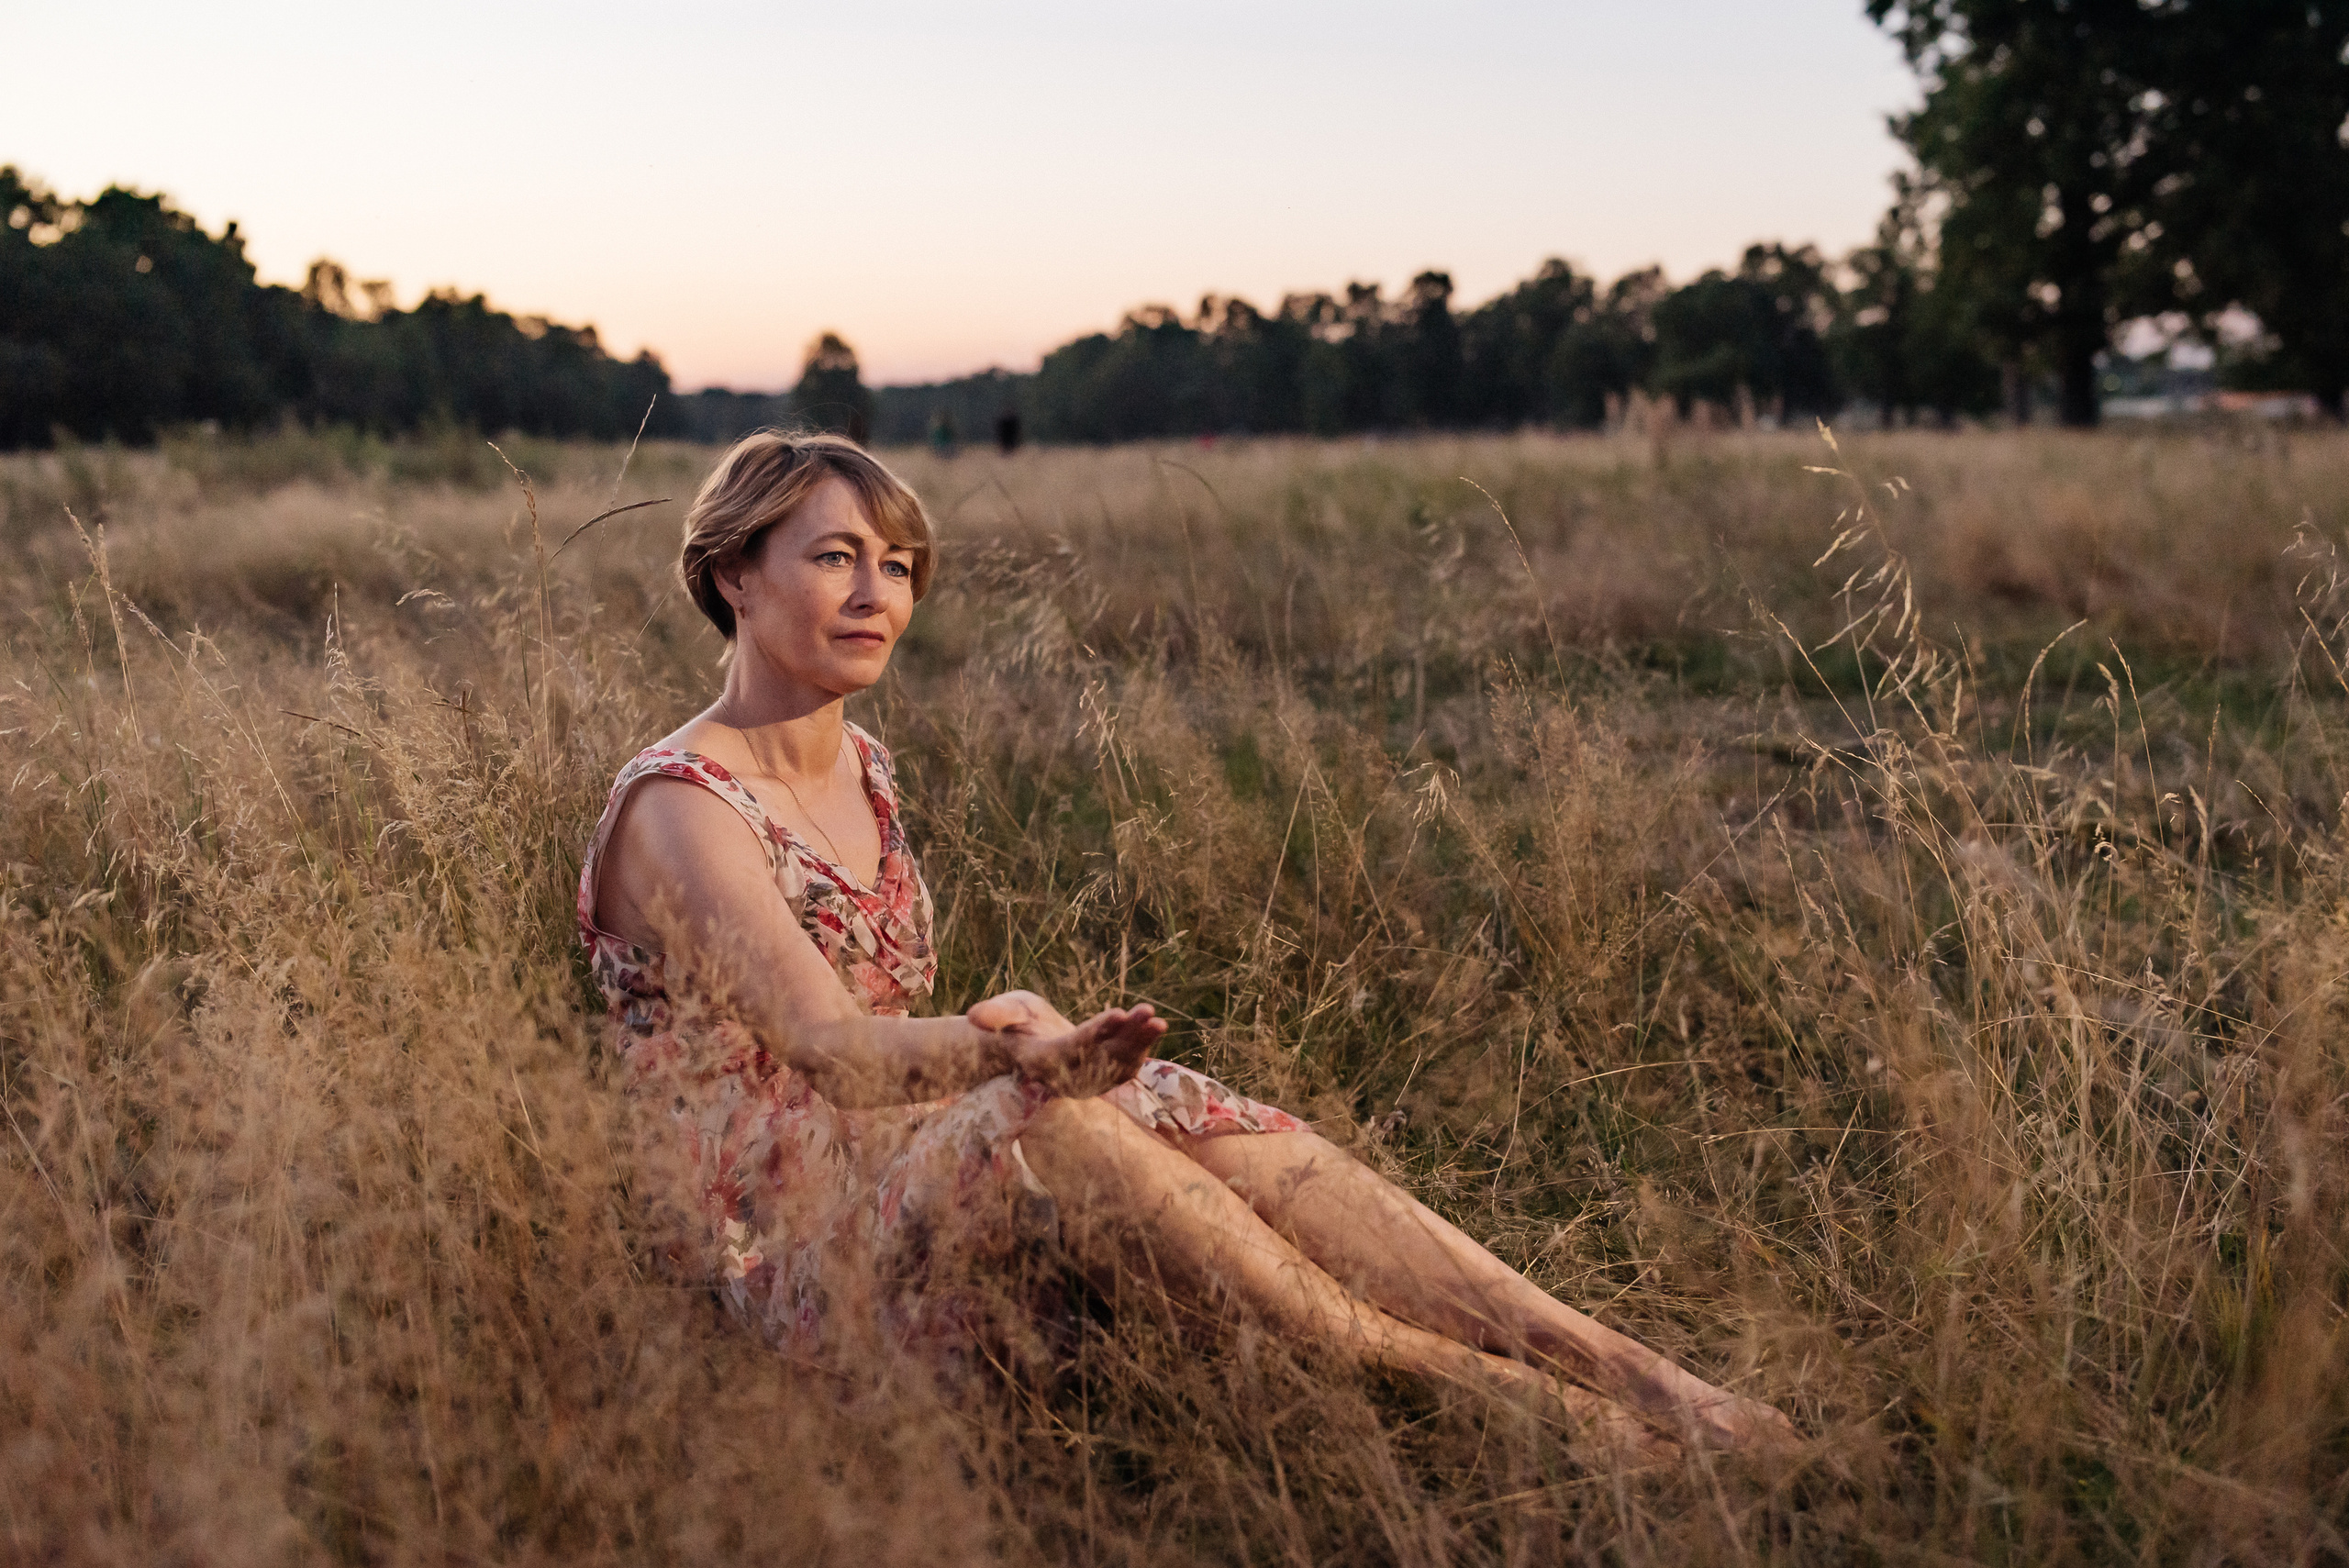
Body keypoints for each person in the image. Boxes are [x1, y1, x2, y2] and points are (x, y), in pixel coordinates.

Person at [578, 430, 1794, 1459]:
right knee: (1043, 1090)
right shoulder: (685, 801)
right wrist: (1016, 1057)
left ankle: (1634, 1373)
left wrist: (1020, 1037)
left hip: (899, 1166)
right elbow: (831, 1049)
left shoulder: (861, 763)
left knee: (1166, 1108)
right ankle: (1508, 1400)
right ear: (736, 572)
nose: (877, 595)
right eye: (836, 557)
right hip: (780, 1254)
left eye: (898, 566)